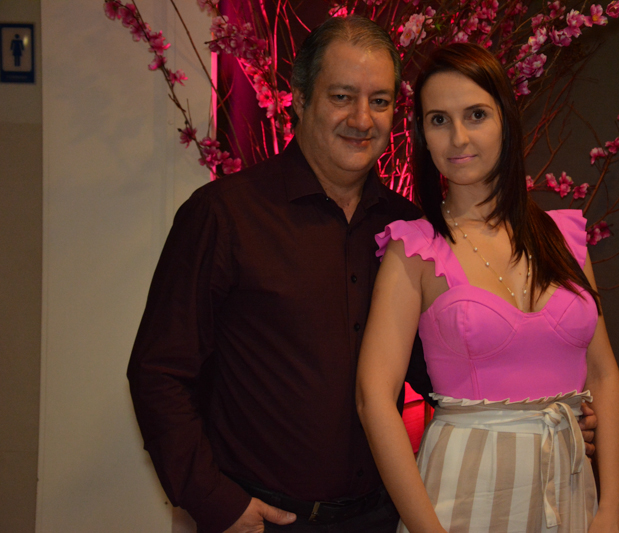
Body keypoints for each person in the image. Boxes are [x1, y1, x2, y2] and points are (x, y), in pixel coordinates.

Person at [128, 16, 430, 533]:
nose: (362, 119)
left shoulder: (409, 229)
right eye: (342, 96)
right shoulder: (224, 215)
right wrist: (215, 502)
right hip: (262, 519)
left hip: (382, 516)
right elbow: (160, 373)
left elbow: (441, 369)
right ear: (300, 98)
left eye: (379, 101)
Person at [356, 43, 619, 533]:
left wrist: (613, 508)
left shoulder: (564, 236)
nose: (458, 137)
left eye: (476, 114)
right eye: (439, 120)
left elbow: (604, 375)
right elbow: (374, 397)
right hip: (461, 494)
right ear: (422, 135)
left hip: (569, 490)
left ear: (505, 119)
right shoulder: (414, 248)